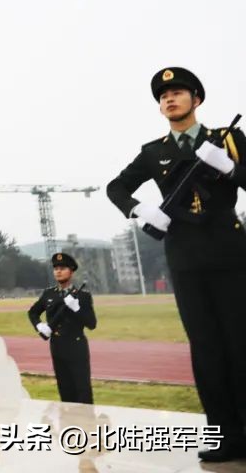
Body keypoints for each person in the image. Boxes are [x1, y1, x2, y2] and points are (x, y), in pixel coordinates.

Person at [106, 66, 246, 463]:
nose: (169, 99)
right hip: (185, 258)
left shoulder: (228, 140)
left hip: (232, 254)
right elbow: (116, 187)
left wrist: (231, 168)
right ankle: (225, 435)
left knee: (241, 342)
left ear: (196, 99)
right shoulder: (154, 152)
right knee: (206, 348)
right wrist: (139, 210)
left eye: (178, 92)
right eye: (163, 96)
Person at [26, 252, 96, 404]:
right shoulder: (49, 294)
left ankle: (87, 425)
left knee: (82, 390)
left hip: (76, 346)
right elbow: (32, 312)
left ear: (71, 271)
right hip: (57, 346)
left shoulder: (83, 296)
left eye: (63, 268)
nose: (58, 271)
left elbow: (92, 324)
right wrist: (39, 325)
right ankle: (69, 425)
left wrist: (77, 309)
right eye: (56, 268)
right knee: (64, 389)